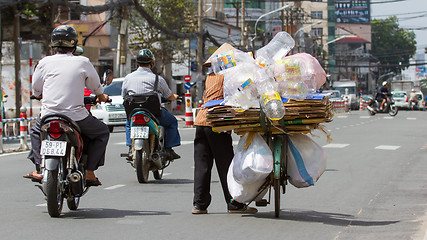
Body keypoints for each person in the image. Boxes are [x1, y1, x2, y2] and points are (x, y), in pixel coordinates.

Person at [24, 25, 110, 187]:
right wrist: (101, 95)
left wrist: (38, 94)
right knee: (102, 132)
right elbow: (96, 86)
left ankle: (39, 168)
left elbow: (36, 88)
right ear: (73, 43)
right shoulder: (82, 62)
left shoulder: (44, 62)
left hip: (48, 116)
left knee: (36, 132)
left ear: (53, 43)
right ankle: (90, 171)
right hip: (76, 117)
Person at [192, 43, 257, 214]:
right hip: (217, 122)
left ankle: (199, 204)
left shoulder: (211, 76)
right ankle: (234, 203)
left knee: (202, 165)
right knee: (226, 165)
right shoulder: (229, 77)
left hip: (201, 121)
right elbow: (242, 92)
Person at [121, 49, 181, 160]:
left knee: (129, 123)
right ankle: (169, 149)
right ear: (152, 63)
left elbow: (124, 96)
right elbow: (169, 96)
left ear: (137, 63)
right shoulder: (157, 79)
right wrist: (175, 97)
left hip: (133, 112)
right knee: (172, 122)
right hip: (154, 113)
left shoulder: (128, 78)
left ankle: (130, 147)